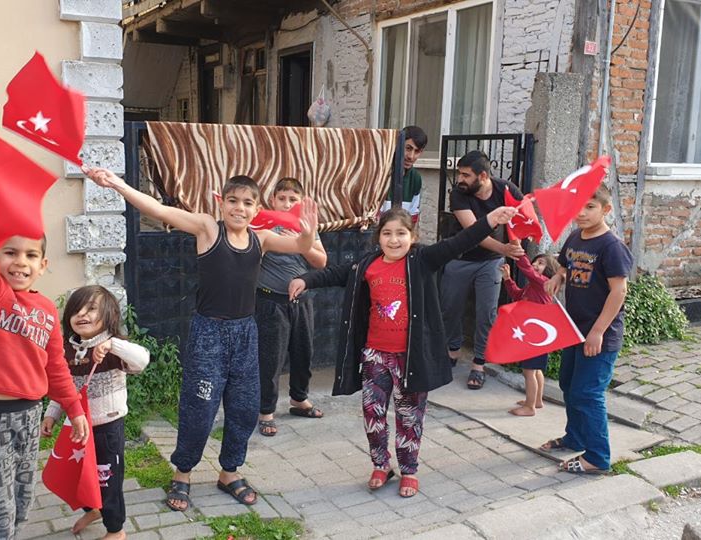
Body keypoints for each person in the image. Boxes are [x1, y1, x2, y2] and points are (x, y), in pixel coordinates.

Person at [81, 165, 318, 512]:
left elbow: (300, 245)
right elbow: (159, 210)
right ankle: (183, 473)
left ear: (257, 208)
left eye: (247, 203)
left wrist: (307, 232)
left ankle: (229, 472)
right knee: (199, 407)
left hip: (245, 334)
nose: (239, 208)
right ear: (222, 203)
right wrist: (117, 183)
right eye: (233, 200)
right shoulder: (208, 229)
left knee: (243, 407)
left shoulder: (262, 239)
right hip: (209, 334)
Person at [288, 205, 518, 497]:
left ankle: (409, 471)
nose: (394, 240)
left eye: (401, 233)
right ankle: (381, 465)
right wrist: (305, 279)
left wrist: (490, 221)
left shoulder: (422, 260)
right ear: (378, 237)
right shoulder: (367, 264)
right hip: (374, 356)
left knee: (408, 417)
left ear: (413, 236)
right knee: (372, 414)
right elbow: (336, 273)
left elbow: (459, 242)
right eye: (387, 233)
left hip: (410, 358)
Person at [0, 225, 89, 539]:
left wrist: (74, 409)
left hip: (30, 418)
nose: (20, 261)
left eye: (30, 255)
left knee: (21, 500)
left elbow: (55, 366)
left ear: (42, 265)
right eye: (10, 253)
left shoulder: (47, 309)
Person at [42, 285, 150, 540]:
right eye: (76, 310)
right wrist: (51, 414)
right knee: (80, 475)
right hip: (77, 428)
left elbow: (142, 360)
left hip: (107, 429)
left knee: (107, 480)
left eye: (91, 309)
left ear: (109, 314)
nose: (82, 314)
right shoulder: (67, 350)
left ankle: (116, 530)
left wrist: (113, 345)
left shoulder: (114, 348)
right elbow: (63, 387)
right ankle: (93, 509)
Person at [540, 184, 633, 474]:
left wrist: (598, 331)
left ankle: (597, 457)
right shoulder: (575, 237)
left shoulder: (611, 247)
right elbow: (565, 265)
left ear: (606, 210)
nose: (581, 212)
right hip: (574, 329)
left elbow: (619, 291)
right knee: (569, 385)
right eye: (577, 205)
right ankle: (576, 437)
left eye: (590, 207)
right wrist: (558, 277)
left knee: (587, 393)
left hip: (599, 335)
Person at [439, 151, 525, 390]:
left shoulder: (505, 189)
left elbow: (522, 217)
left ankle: (479, 363)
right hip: (460, 258)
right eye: (460, 173)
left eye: (466, 175)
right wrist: (505, 249)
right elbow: (473, 232)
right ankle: (452, 349)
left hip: (491, 262)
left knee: (487, 312)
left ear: (483, 176)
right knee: (450, 307)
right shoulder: (458, 194)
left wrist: (516, 242)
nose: (460, 179)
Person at [255, 177, 328, 437]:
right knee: (270, 359)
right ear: (272, 200)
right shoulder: (263, 223)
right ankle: (266, 411)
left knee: (303, 352)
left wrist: (301, 241)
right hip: (270, 301)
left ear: (300, 202)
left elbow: (321, 262)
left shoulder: (306, 225)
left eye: (292, 199)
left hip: (302, 301)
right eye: (282, 198)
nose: (286, 204)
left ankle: (299, 399)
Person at [500, 253, 559, 417]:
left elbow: (527, 270)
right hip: (535, 335)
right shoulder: (533, 287)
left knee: (528, 371)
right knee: (536, 370)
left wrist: (519, 252)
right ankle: (537, 401)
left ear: (549, 270)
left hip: (535, 335)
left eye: (540, 263)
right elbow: (517, 295)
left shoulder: (544, 283)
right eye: (534, 261)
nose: (534, 265)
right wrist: (508, 279)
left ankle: (529, 407)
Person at [379, 126, 427, 223]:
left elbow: (412, 217)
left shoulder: (415, 178)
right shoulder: (380, 172)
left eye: (417, 151)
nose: (411, 156)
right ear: (397, 145)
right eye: (408, 148)